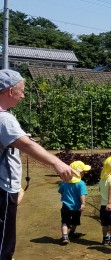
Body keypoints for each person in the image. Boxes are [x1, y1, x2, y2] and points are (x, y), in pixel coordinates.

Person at [0, 69, 77, 259]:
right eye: (22, 90)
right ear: (10, 91)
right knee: (3, 244)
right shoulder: (4, 119)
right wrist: (57, 163)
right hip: (3, 189)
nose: (23, 95)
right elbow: (26, 144)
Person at [58, 160, 91, 245]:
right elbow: (82, 194)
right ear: (79, 172)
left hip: (66, 205)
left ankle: (64, 236)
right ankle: (72, 232)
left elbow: (61, 191)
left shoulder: (64, 182)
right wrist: (83, 203)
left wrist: (63, 197)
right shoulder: (81, 183)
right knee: (75, 221)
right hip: (77, 207)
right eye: (83, 171)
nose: (84, 173)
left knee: (64, 221)